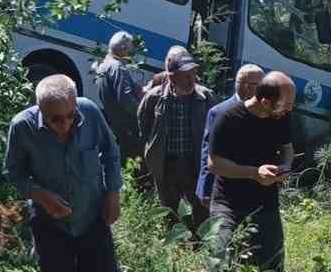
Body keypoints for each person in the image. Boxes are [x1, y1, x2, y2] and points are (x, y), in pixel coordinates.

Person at [3, 74, 122, 272]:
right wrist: (41, 195)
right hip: (49, 222)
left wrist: (113, 193)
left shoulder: (90, 113)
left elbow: (111, 152)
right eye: (56, 120)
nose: (66, 124)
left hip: (91, 213)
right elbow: (13, 172)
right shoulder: (22, 127)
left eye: (71, 116)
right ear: (40, 110)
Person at [208, 70, 296, 272]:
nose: (290, 109)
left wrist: (284, 166)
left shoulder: (281, 118)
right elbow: (214, 164)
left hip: (265, 203)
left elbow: (287, 148)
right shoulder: (228, 119)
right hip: (228, 203)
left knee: (272, 271)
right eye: (286, 104)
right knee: (221, 263)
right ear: (265, 102)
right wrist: (254, 173)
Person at [137, 45, 216, 232]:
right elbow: (144, 125)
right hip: (166, 164)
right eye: (186, 76)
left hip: (195, 164)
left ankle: (199, 246)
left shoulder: (206, 98)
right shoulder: (154, 98)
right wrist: (153, 151)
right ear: (172, 77)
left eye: (193, 74)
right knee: (170, 211)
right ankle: (176, 250)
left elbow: (217, 130)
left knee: (200, 211)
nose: (192, 80)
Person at [196, 63, 264, 206]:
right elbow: (208, 154)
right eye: (261, 85)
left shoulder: (265, 112)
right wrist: (205, 189)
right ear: (246, 86)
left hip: (255, 189)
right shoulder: (219, 113)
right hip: (223, 189)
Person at [95, 31, 147, 160]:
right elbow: (126, 100)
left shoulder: (104, 65)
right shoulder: (117, 67)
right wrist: (143, 115)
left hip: (115, 124)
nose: (131, 54)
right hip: (126, 127)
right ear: (123, 49)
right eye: (130, 50)